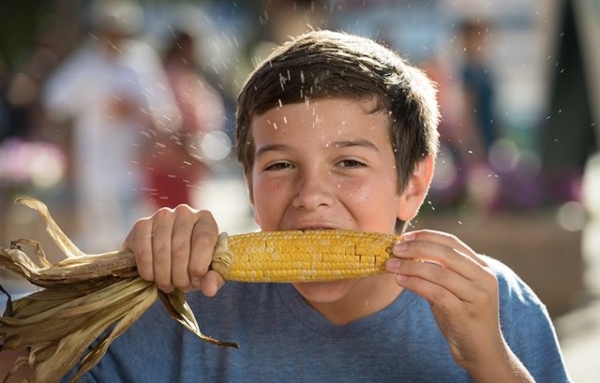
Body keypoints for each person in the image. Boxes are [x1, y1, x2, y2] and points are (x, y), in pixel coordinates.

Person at [14, 29, 569, 382]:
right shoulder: (177, 313)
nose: (310, 195)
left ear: (414, 183)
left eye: (349, 163)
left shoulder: (499, 308)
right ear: (250, 185)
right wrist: (119, 282)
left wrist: (490, 364)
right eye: (279, 165)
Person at [41, 0, 180, 252]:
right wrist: (65, 148)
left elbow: (165, 114)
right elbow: (54, 102)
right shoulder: (86, 64)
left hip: (132, 167)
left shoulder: (141, 62)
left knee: (133, 235)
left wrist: (134, 110)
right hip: (93, 167)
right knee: (97, 238)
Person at [142, 29, 226, 209]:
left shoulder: (185, 76)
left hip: (181, 168)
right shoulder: (169, 77)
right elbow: (169, 124)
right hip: (171, 167)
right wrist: (191, 154)